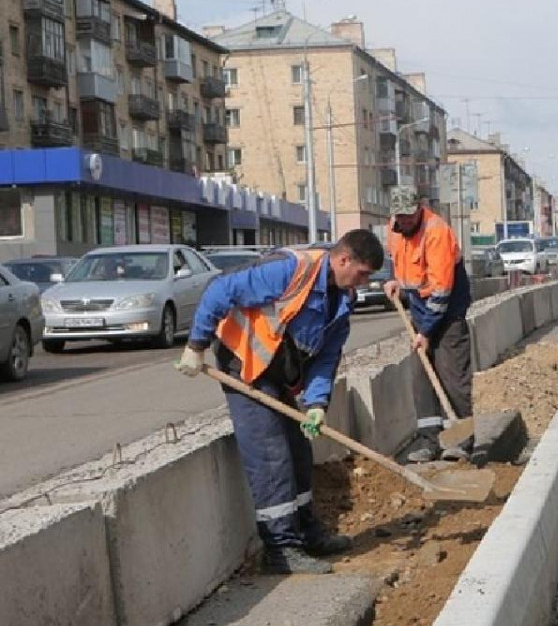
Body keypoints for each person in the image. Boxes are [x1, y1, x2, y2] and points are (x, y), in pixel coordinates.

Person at [175, 229, 384, 574]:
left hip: (279, 375)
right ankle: (281, 550)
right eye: (362, 274)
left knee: (298, 451)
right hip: (244, 366)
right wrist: (196, 346)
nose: (362, 283)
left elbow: (326, 357)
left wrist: (317, 403)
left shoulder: (341, 301)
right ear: (343, 259)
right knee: (271, 456)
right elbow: (220, 290)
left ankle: (306, 532)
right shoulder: (292, 270)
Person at [382, 185, 475, 464]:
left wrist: (425, 331)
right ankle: (429, 440)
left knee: (452, 376)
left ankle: (461, 441)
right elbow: (396, 259)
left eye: (410, 217)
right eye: (401, 218)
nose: (405, 222)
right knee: (421, 375)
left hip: (447, 314)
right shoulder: (394, 227)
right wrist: (394, 279)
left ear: (419, 209)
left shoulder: (436, 232)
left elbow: (441, 290)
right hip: (419, 310)